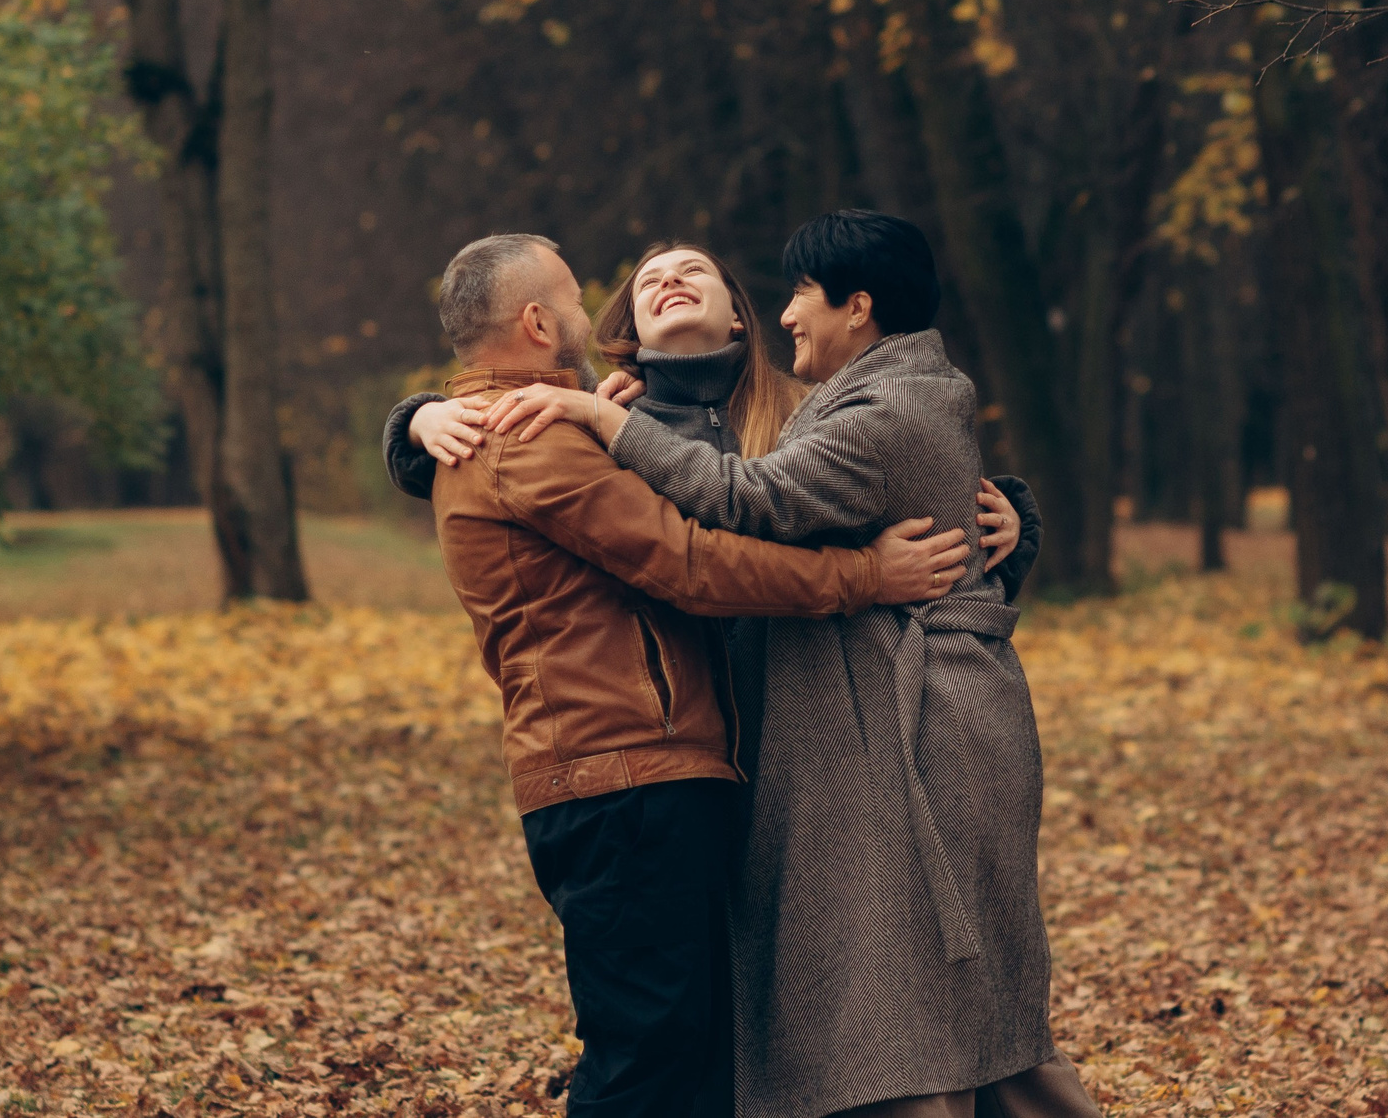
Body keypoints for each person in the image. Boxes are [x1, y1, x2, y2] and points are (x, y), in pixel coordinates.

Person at [479, 212, 1100, 1118]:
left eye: (698, 269)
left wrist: (1009, 518)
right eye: (648, 279)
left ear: (742, 320)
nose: (669, 279)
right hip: (690, 751)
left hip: (831, 742)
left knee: (900, 998)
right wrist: (420, 419)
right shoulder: (607, 413)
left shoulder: (794, 409)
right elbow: (494, 440)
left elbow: (876, 480)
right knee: (768, 1011)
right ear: (626, 326)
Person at [402, 232, 975, 1118]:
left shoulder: (609, 412)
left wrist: (1008, 509)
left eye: (692, 270)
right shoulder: (535, 435)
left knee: (698, 1051)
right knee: (650, 1059)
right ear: (537, 319)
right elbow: (688, 561)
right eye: (580, 292)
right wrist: (862, 576)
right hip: (628, 769)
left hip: (721, 760)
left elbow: (893, 463)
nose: (605, 308)